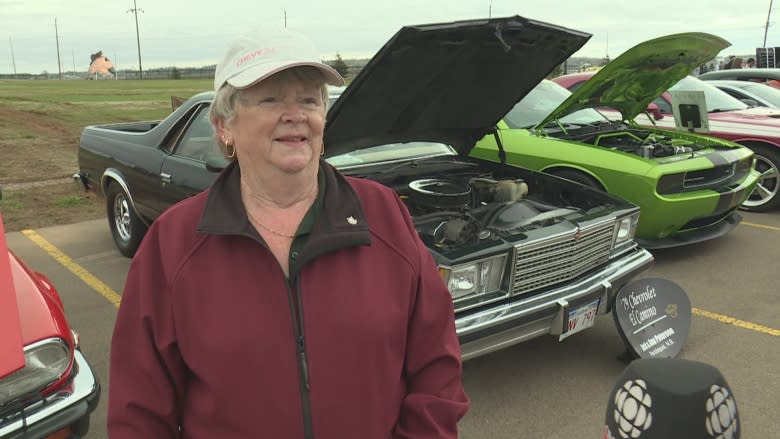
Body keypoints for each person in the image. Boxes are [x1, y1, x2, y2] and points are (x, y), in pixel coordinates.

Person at [107, 27, 470, 438]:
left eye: (308, 99)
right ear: (224, 124)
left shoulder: (383, 215)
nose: (295, 113)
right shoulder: (173, 243)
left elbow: (436, 367)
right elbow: (137, 411)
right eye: (270, 98)